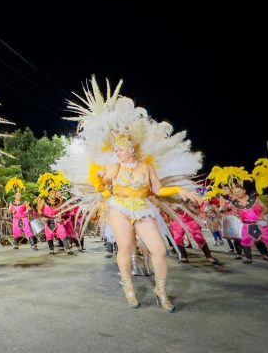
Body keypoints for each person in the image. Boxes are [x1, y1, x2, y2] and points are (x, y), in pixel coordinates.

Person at [55, 77, 203, 312]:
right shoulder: (114, 168)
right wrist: (99, 176)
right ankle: (128, 287)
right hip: (120, 208)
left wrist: (179, 190)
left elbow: (157, 190)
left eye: (121, 150)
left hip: (143, 207)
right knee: (126, 247)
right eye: (116, 150)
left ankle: (160, 290)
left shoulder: (147, 167)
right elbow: (102, 188)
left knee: (160, 250)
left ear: (131, 149)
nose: (118, 153)